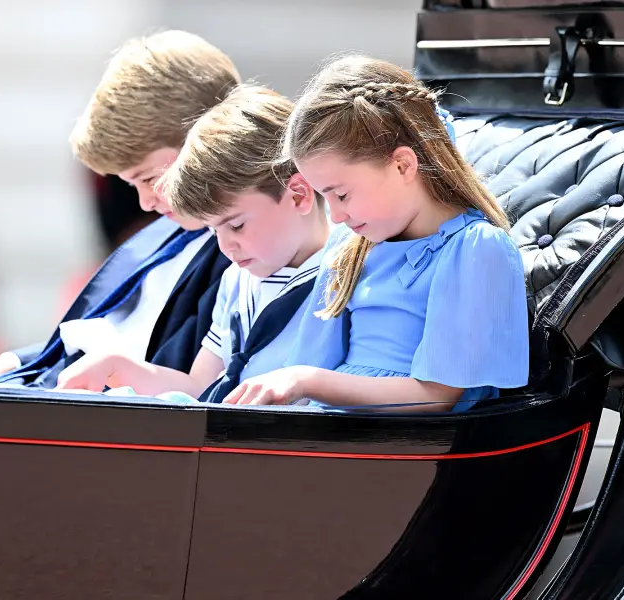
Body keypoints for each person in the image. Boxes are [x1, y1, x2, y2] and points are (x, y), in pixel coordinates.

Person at [0, 30, 237, 388]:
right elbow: (109, 335)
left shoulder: (245, 253)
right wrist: (6, 367)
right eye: (132, 185)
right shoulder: (163, 238)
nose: (145, 203)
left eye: (149, 177)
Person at [221, 55, 529, 412]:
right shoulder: (351, 245)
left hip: (396, 438)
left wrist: (308, 381)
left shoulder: (475, 249)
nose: (336, 216)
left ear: (403, 165)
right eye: (325, 197)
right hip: (326, 425)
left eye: (341, 195)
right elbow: (312, 365)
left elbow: (437, 397)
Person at [54, 85, 331, 402]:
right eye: (214, 230)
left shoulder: (348, 275)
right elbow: (199, 386)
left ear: (298, 196)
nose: (226, 246)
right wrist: (117, 365)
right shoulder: (236, 280)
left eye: (236, 225)